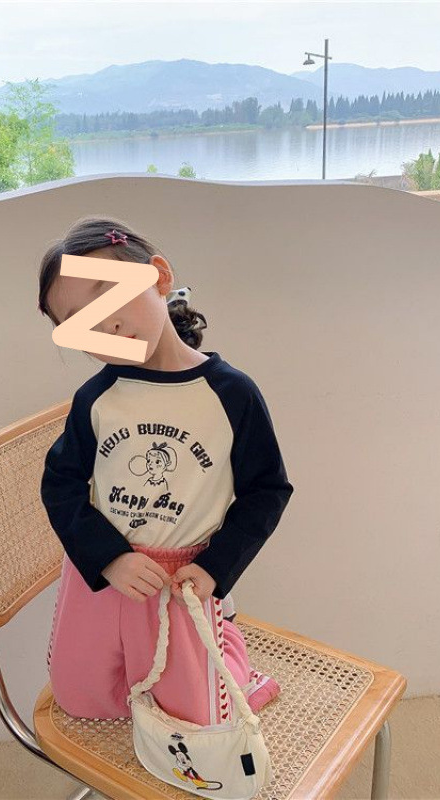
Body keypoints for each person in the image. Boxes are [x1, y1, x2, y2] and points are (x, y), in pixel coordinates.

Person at [37, 215, 294, 725]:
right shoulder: (96, 399)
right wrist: (109, 558)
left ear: (158, 276)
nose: (107, 324)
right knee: (83, 696)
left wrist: (216, 567)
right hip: (104, 577)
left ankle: (233, 659)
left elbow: (267, 490)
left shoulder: (231, 394)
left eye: (110, 295)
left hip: (180, 582)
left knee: (191, 712)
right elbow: (60, 484)